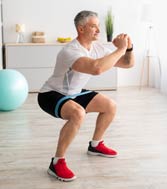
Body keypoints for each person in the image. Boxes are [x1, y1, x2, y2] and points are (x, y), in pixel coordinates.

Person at [37, 10, 134, 182]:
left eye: (98, 26)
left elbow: (128, 64)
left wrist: (129, 48)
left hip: (74, 92)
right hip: (51, 94)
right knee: (78, 113)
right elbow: (96, 68)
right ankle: (57, 162)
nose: (98, 30)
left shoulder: (97, 48)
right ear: (81, 29)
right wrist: (120, 48)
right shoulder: (70, 51)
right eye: (94, 26)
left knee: (110, 106)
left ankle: (96, 145)